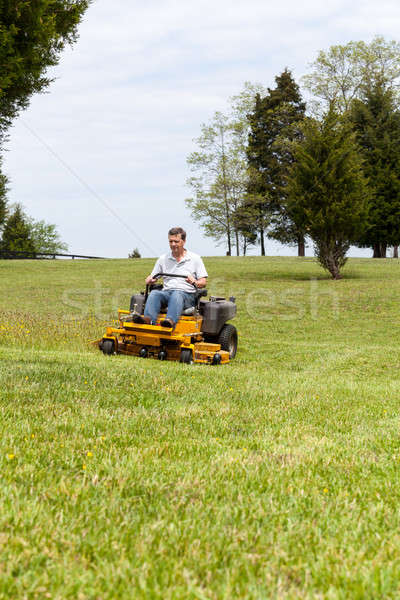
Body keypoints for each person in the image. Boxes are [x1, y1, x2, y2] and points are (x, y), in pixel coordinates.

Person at [133, 227, 208, 329]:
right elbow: (153, 276)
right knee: (155, 293)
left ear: (184, 241)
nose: (173, 244)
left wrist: (194, 281)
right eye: (171, 241)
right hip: (167, 293)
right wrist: (149, 280)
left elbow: (203, 282)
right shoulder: (163, 259)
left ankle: (170, 321)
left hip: (187, 295)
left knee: (177, 293)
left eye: (176, 241)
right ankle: (148, 319)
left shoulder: (195, 259)